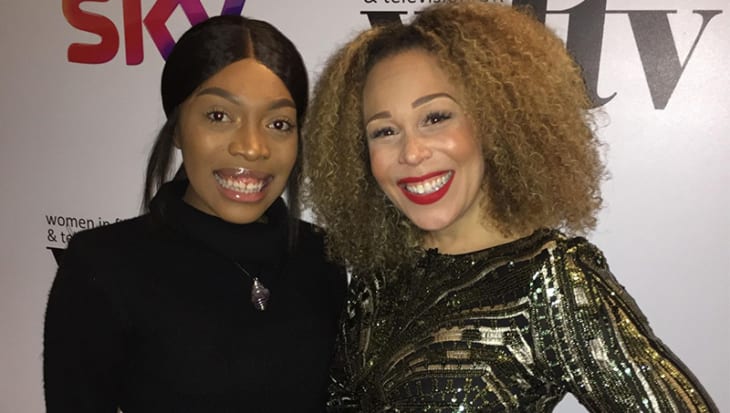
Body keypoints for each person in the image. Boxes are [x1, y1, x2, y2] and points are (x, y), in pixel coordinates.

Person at [302, 2, 718, 412]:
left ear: (494, 121)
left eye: (436, 117)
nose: (411, 152)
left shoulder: (549, 279)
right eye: (385, 131)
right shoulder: (375, 283)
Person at [43, 15, 346, 412]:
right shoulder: (104, 265)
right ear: (179, 127)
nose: (252, 147)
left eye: (278, 123)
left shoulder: (321, 259)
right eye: (219, 116)